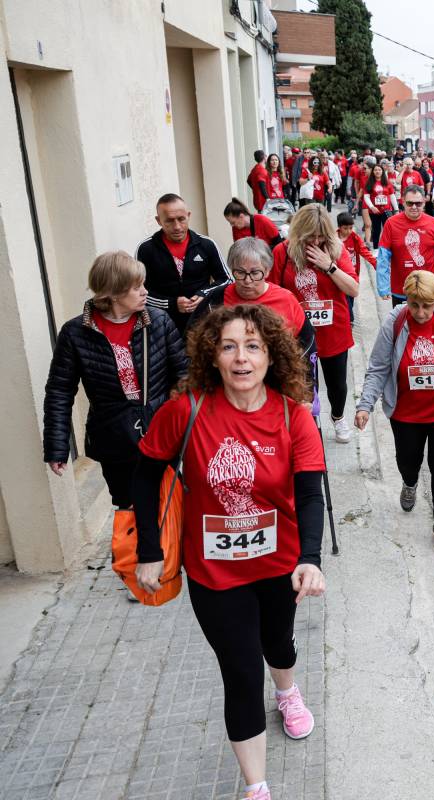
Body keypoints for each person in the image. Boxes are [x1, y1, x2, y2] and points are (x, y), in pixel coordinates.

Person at [133, 304, 327, 800]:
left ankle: (287, 691)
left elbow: (308, 492)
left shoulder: (292, 415)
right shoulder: (187, 410)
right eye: (229, 346)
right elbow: (146, 470)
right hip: (214, 574)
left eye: (253, 346)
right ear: (213, 357)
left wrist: (310, 557)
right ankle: (256, 788)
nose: (241, 358)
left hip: (278, 566)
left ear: (271, 356)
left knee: (278, 645)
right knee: (241, 671)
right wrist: (150, 549)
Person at [43, 251, 189, 571]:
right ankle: (136, 564)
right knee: (128, 502)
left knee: (173, 494)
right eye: (136, 287)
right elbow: (59, 390)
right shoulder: (75, 333)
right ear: (111, 293)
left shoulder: (158, 321)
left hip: (161, 426)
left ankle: (177, 553)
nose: (145, 292)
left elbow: (184, 374)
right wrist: (57, 445)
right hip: (114, 434)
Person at [357, 270, 434, 551]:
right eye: (415, 304)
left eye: (427, 305)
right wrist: (365, 404)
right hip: (406, 413)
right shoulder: (396, 321)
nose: (421, 312)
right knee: (408, 460)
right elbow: (378, 366)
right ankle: (409, 482)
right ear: (407, 300)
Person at [269, 205, 359, 444]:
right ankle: (306, 425)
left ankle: (338, 416)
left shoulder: (336, 249)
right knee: (303, 384)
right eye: (311, 235)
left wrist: (329, 266)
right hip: (297, 332)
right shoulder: (283, 252)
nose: (316, 240)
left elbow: (353, 289)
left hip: (333, 329)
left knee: (337, 385)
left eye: (321, 235)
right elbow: (272, 289)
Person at [191, 239, 315, 371]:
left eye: (255, 273)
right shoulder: (216, 299)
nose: (247, 280)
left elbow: (306, 346)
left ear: (267, 271)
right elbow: (193, 340)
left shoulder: (286, 300)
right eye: (240, 272)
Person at [136, 193, 230, 334]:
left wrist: (204, 294)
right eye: (169, 221)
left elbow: (227, 279)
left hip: (203, 322)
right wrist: (172, 303)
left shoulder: (206, 244)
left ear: (188, 215)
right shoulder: (146, 249)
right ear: (158, 220)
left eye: (181, 219)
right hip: (162, 325)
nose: (177, 227)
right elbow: (138, 290)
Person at [377, 186, 434, 305]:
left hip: (428, 288)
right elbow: (383, 258)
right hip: (401, 290)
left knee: (428, 322)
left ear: (424, 203)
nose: (414, 207)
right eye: (410, 203)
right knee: (403, 323)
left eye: (418, 203)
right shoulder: (391, 223)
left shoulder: (433, 222)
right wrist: (383, 286)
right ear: (402, 202)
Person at [335, 211, 373, 323]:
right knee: (342, 300)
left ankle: (347, 318)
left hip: (352, 276)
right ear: (339, 227)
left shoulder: (355, 238)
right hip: (338, 276)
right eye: (345, 228)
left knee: (350, 300)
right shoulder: (332, 239)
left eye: (351, 228)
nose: (348, 231)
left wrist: (376, 264)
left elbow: (364, 251)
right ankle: (348, 320)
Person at [362, 163, 395, 251]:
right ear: (373, 172)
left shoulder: (387, 182)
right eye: (376, 170)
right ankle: (376, 248)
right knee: (376, 230)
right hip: (374, 211)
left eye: (379, 170)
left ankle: (388, 247)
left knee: (388, 229)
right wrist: (372, 207)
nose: (377, 171)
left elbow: (392, 196)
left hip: (386, 210)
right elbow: (366, 197)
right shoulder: (369, 183)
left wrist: (396, 209)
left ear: (382, 172)